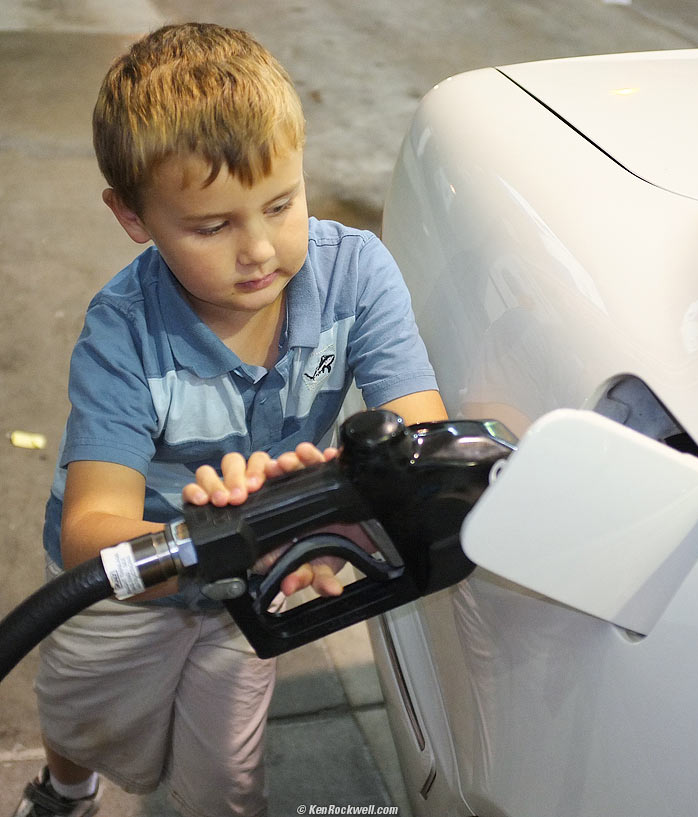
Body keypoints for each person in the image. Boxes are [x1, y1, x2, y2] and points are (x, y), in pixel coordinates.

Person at [14, 21, 446, 817]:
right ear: (133, 217)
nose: (258, 250)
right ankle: (67, 786)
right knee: (84, 709)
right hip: (132, 583)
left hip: (257, 575)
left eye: (280, 204)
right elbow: (90, 531)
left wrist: (339, 521)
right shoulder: (123, 329)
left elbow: (419, 442)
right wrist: (200, 542)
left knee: (228, 773)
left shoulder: (356, 275)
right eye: (211, 226)